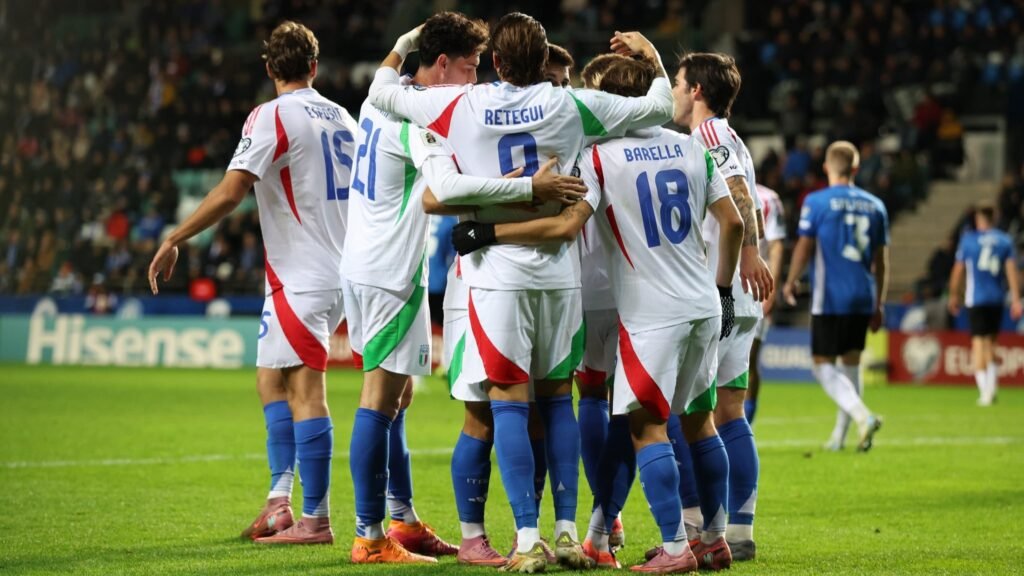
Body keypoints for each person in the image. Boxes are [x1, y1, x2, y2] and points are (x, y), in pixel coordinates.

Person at [367, 14, 675, 572]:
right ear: (541, 60)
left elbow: (382, 93)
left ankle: (527, 537)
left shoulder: (464, 104)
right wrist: (650, 54)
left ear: (498, 62)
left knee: (506, 402)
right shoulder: (571, 103)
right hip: (560, 274)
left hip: (496, 273)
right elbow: (660, 107)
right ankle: (564, 531)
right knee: (558, 400)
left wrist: (404, 45)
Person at [451, 52, 745, 573]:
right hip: (701, 300)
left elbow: (565, 226)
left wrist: (487, 232)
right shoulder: (692, 147)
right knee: (700, 423)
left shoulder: (600, 154)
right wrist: (723, 290)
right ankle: (715, 537)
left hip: (633, 306)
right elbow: (735, 222)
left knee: (640, 424)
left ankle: (663, 545)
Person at [341, 11, 585, 565]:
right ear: (443, 64)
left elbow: (383, 79)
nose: (476, 82)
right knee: (382, 399)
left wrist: (401, 44)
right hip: (392, 268)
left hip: (364, 260)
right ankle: (368, 535)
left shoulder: (382, 100)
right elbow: (441, 191)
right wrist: (529, 187)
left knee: (399, 397)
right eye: (470, 68)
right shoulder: (423, 123)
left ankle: (399, 519)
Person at [148, 22, 356, 544]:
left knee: (306, 391)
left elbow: (231, 190)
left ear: (269, 69)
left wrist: (175, 236)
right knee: (270, 378)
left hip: (303, 273)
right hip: (340, 266)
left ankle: (316, 519)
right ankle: (278, 503)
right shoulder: (343, 117)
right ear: (314, 67)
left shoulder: (272, 115)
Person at [673, 51, 773, 564]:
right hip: (736, 291)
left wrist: (747, 255)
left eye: (677, 82)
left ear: (696, 91)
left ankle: (696, 529)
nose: (672, 91)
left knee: (685, 413)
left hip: (720, 290)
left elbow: (736, 195)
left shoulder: (709, 135)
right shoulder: (731, 137)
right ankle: (740, 527)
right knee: (731, 411)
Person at [783, 140, 887, 452]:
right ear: (856, 168)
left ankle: (863, 416)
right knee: (851, 365)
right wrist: (878, 302)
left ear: (827, 167)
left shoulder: (817, 202)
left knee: (821, 366)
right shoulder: (876, 205)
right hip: (862, 294)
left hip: (829, 297)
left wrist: (790, 280)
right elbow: (881, 261)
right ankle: (840, 437)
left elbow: (804, 245)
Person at [948, 203, 1022, 406]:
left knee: (978, 344)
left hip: (976, 298)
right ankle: (992, 387)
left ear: (979, 219)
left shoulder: (969, 240)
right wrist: (1016, 299)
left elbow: (958, 271)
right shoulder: (1004, 240)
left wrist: (953, 295)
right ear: (994, 218)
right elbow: (1011, 271)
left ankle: (985, 392)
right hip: (997, 299)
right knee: (992, 343)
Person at [746, 184, 786, 424]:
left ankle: (745, 424)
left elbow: (776, 245)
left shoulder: (768, 198)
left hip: (754, 290)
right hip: (716, 285)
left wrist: (771, 289)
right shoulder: (710, 181)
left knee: (748, 360)